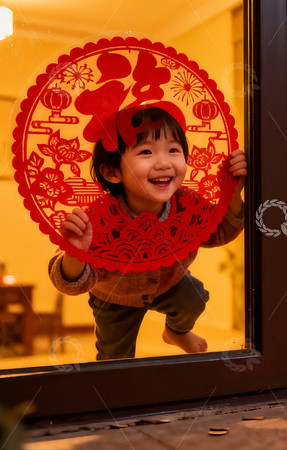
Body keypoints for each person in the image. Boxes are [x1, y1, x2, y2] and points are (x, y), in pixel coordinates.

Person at [48, 105, 247, 360]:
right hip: (114, 297)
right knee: (114, 359)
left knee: (194, 298)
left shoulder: (187, 204)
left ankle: (176, 332)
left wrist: (232, 192)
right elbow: (71, 284)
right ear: (113, 172)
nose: (164, 162)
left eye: (173, 150)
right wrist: (75, 251)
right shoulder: (99, 218)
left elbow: (220, 232)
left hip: (169, 282)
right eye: (146, 152)